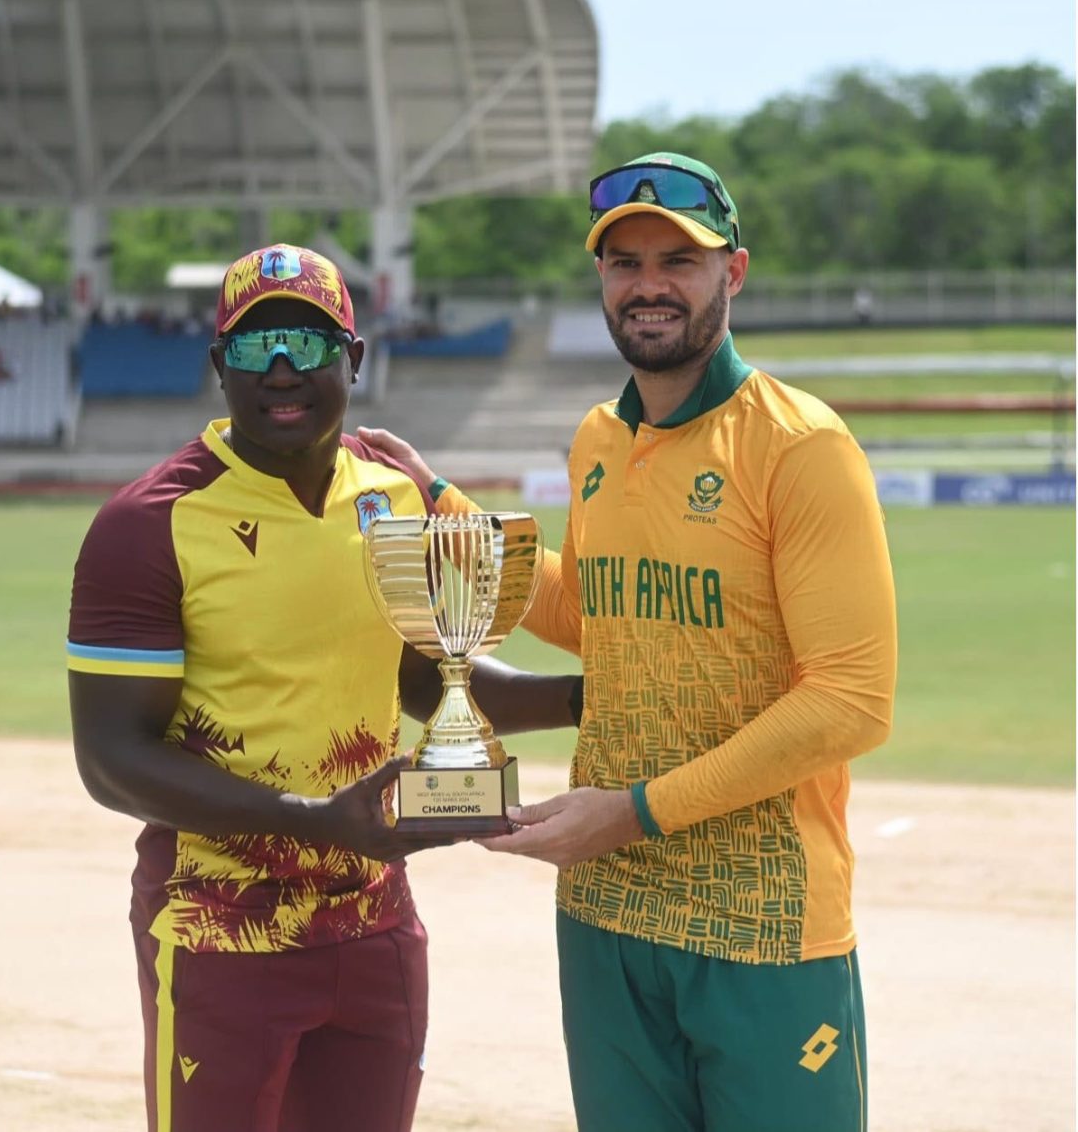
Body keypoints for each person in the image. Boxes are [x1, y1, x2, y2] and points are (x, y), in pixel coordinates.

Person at [359, 152, 898, 1132]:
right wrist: (446, 510)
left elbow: (850, 701)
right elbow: (596, 615)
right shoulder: (599, 440)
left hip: (762, 928)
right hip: (606, 916)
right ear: (601, 279)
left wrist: (637, 813)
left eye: (677, 261)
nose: (648, 284)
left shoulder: (800, 447)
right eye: (624, 263)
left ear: (731, 272)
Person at [66, 242, 580, 1132]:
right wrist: (306, 817)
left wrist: (586, 699)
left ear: (355, 357)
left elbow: (431, 676)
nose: (278, 370)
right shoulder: (148, 525)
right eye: (252, 347)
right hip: (220, 928)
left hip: (375, 922)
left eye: (304, 344)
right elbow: (111, 758)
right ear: (218, 364)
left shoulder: (392, 499)